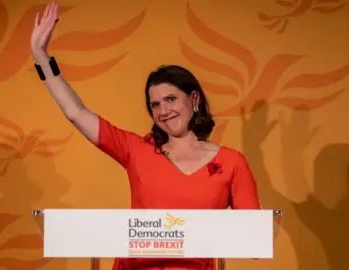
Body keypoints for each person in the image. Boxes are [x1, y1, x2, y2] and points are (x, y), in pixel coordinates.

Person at [30, 2, 261, 269]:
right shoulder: (136, 149)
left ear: (194, 98)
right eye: (155, 105)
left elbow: (253, 240)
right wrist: (40, 56)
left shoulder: (232, 163)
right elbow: (76, 113)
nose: (164, 111)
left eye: (171, 99)